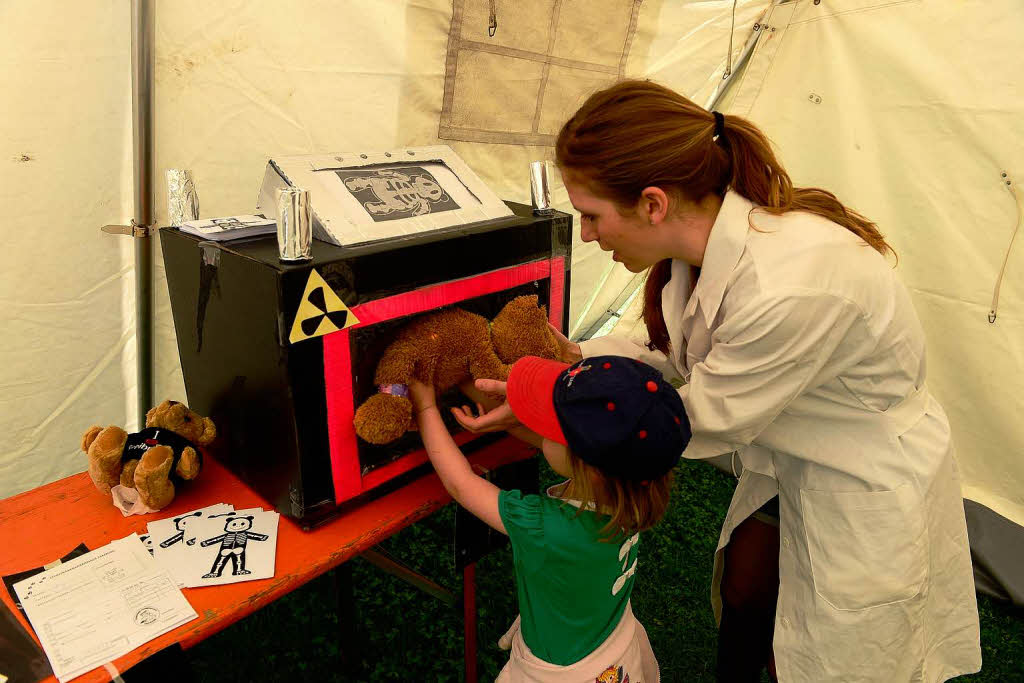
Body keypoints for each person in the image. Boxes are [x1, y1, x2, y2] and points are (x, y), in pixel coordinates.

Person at [455, 80, 982, 683]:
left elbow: (685, 420)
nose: (590, 235)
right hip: (793, 444)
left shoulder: (788, 286)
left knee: (830, 656)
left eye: (592, 215)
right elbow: (672, 359)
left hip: (859, 467)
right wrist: (571, 360)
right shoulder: (698, 249)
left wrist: (543, 408)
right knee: (746, 584)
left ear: (653, 204)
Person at [409, 353, 691, 681]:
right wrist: (471, 386)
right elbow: (562, 450)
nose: (540, 426)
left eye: (550, 423)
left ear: (587, 465)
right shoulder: (635, 492)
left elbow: (461, 484)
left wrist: (426, 407)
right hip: (609, 644)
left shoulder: (547, 528)